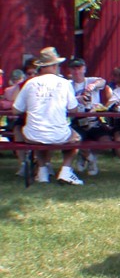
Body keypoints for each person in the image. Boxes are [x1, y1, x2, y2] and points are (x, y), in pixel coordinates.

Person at [12, 47, 84, 185]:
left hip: (33, 134)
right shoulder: (64, 83)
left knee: (38, 138)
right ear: (55, 65)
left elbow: (16, 110)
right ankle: (65, 170)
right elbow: (73, 109)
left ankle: (43, 171)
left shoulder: (30, 83)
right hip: (59, 134)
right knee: (76, 139)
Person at [68, 57, 112, 176]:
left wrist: (93, 86)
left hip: (93, 119)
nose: (77, 71)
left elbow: (103, 81)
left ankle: (86, 155)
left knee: (106, 142)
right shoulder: (67, 85)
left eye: (79, 68)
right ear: (70, 71)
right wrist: (78, 99)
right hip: (76, 120)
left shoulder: (90, 80)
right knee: (73, 139)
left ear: (84, 69)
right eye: (74, 68)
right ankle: (90, 158)